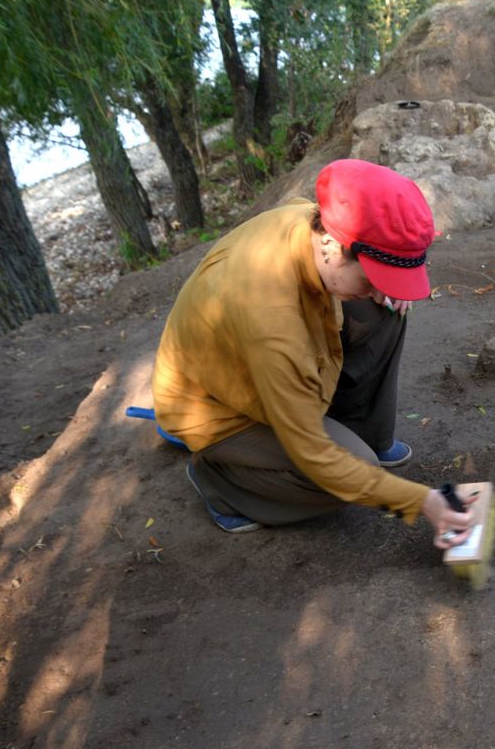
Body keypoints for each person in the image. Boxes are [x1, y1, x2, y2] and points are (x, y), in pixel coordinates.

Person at [151, 159, 472, 549]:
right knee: (351, 471)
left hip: (261, 364)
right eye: (373, 277)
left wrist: (383, 286)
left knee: (382, 310)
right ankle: (221, 480)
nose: (377, 287)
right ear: (333, 247)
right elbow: (312, 454)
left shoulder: (316, 221)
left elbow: (365, 283)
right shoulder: (273, 323)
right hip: (219, 408)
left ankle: (363, 432)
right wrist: (421, 502)